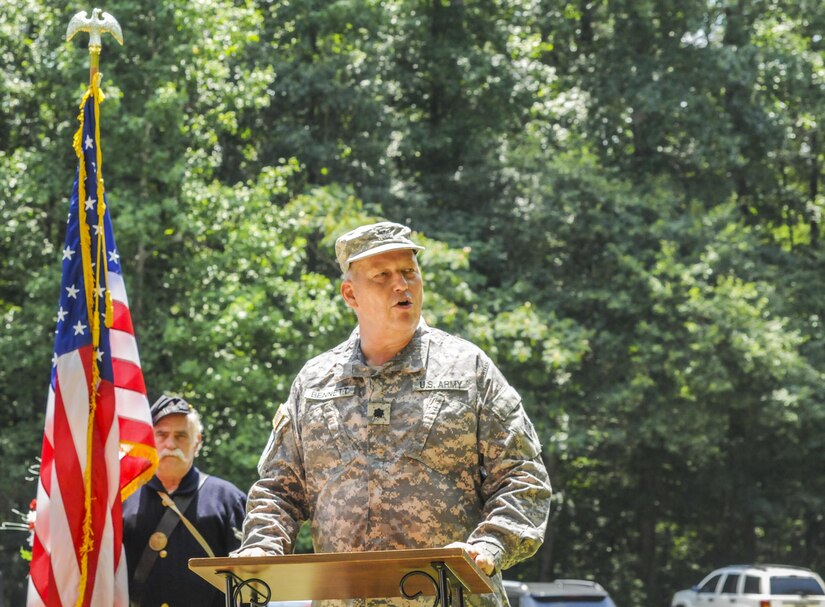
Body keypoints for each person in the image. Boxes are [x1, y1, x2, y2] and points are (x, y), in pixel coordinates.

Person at [236, 222, 552, 607]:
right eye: (382, 275)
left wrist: (490, 544)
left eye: (408, 272)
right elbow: (279, 490)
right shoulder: (314, 381)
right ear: (350, 293)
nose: (401, 285)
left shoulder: (468, 369)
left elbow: (523, 477)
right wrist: (262, 547)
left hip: (450, 598)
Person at [123, 395, 247, 607]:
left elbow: (247, 580)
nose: (170, 444)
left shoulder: (228, 500)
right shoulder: (124, 495)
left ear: (197, 442)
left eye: (180, 436)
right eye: (161, 435)